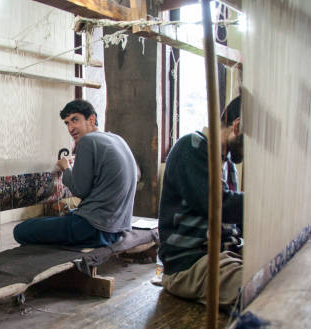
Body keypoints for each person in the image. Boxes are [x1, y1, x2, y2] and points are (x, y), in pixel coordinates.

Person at [13, 99, 137, 247]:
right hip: (117, 229)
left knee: (21, 229)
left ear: (92, 119)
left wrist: (66, 168)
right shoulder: (117, 139)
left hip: (93, 229)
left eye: (75, 120)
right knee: (52, 222)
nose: (71, 128)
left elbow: (80, 190)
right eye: (67, 123)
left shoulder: (87, 141)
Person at [158, 96, 244, 307]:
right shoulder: (191, 147)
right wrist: (264, 202)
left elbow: (234, 220)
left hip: (222, 258)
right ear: (238, 125)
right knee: (270, 293)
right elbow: (218, 206)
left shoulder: (228, 166)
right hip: (190, 265)